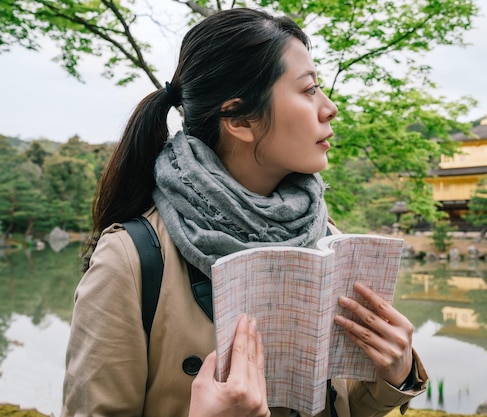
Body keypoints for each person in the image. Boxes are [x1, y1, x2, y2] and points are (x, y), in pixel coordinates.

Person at [62, 7, 428, 417]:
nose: (329, 108)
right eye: (308, 91)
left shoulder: (321, 234)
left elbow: (336, 405)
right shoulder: (130, 259)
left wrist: (394, 373)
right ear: (239, 119)